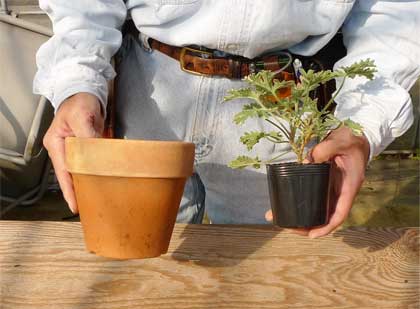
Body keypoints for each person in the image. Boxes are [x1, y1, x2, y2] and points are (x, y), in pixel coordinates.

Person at [35, 0, 420, 238]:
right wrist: (78, 82)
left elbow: (396, 15)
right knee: (132, 274)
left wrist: (361, 123)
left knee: (264, 284)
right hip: (148, 93)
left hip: (282, 110)